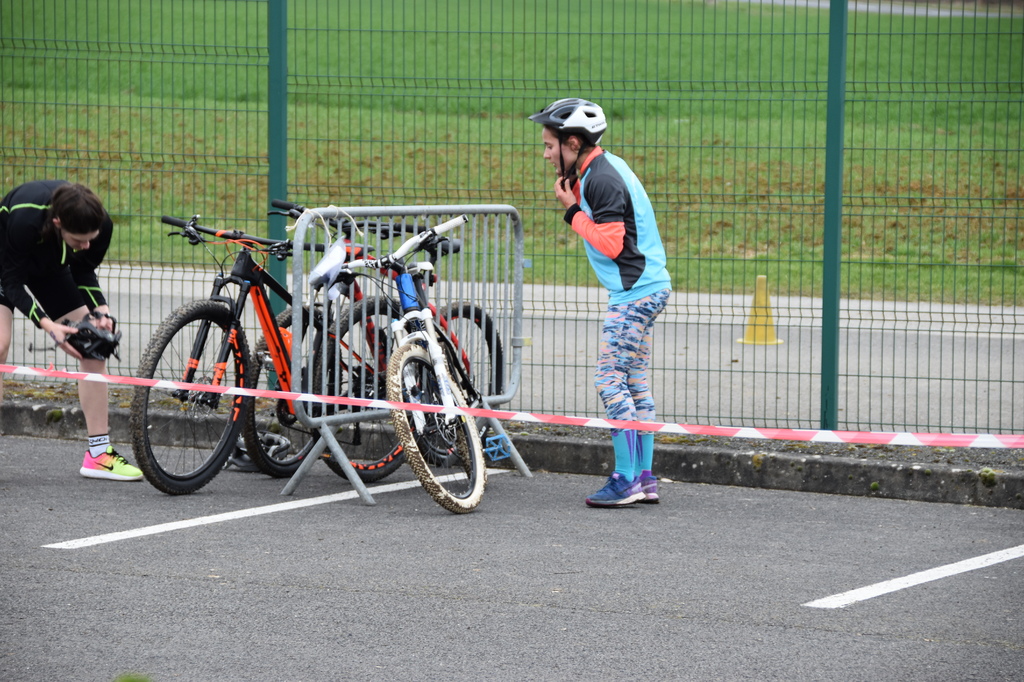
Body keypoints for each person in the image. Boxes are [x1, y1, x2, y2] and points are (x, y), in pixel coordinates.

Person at [529, 98, 672, 507]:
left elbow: (610, 244)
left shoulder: (601, 179)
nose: (545, 154)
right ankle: (644, 478)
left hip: (634, 293)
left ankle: (625, 479)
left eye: (550, 146)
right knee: (635, 382)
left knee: (609, 381)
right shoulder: (602, 169)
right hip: (649, 286)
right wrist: (575, 194)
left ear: (573, 143)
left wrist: (571, 210)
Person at [0, 180, 143, 481]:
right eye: (79, 240)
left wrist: (101, 312)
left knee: (93, 343)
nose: (86, 246)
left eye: (91, 239)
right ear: (57, 223)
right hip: (5, 265)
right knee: (0, 344)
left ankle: (99, 454)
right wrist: (48, 325)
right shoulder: (26, 218)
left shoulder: (100, 225)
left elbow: (83, 270)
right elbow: (12, 283)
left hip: (49, 267)